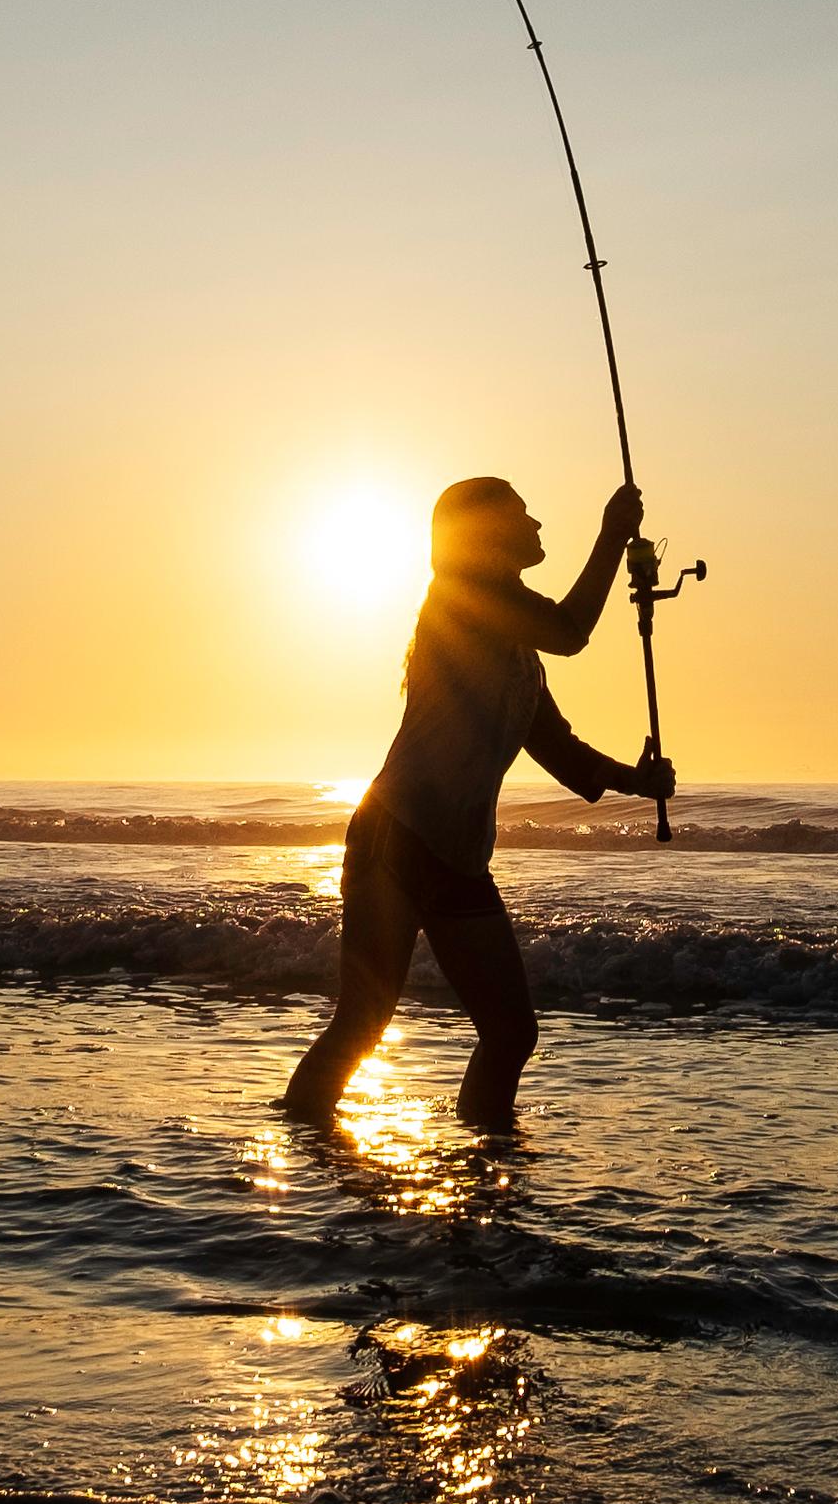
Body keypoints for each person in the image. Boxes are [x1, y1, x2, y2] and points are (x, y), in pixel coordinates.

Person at [278, 475, 678, 1131]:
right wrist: (610, 535)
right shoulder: (461, 601)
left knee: (511, 1032)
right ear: (487, 534)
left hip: (456, 858)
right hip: (395, 838)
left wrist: (639, 782)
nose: (539, 526)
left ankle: (487, 1157)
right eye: (523, 515)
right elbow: (572, 629)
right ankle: (297, 1147)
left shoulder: (517, 644)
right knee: (363, 1022)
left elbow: (561, 750)